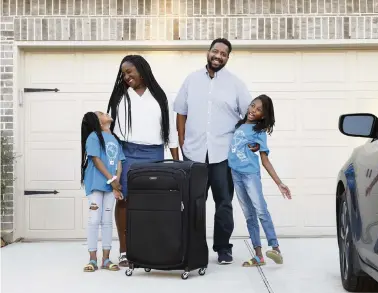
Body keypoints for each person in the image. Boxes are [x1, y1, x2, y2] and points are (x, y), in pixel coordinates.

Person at [173, 38, 258, 264]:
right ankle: (194, 246)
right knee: (194, 203)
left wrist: (248, 142)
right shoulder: (191, 80)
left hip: (223, 154)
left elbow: (250, 115)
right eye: (215, 51)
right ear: (208, 53)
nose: (218, 56)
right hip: (194, 153)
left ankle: (223, 248)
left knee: (223, 203)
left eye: (224, 54)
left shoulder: (236, 84)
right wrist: (182, 141)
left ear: (228, 58)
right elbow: (181, 112)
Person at [107, 55, 179, 267]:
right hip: (126, 153)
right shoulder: (120, 97)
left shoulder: (160, 95)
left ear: (142, 70)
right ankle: (124, 250)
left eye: (130, 72)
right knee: (124, 200)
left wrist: (177, 163)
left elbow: (171, 132)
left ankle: (149, 247)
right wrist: (113, 171)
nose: (126, 77)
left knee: (152, 202)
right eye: (123, 74)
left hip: (154, 154)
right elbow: (112, 136)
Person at [227, 94, 291, 267]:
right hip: (236, 174)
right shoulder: (239, 125)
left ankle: (275, 248)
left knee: (261, 210)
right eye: (253, 106)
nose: (253, 111)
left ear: (263, 116)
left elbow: (265, 160)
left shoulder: (259, 131)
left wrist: (279, 183)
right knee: (249, 215)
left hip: (250, 175)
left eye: (258, 110)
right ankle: (258, 256)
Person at [80, 111, 125, 272]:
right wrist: (112, 180)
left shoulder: (114, 139)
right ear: (99, 122)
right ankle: (92, 259)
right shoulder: (93, 137)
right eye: (101, 114)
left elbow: (119, 161)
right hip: (96, 184)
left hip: (110, 186)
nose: (105, 113)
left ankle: (106, 259)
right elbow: (96, 160)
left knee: (107, 221)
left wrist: (117, 183)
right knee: (94, 220)